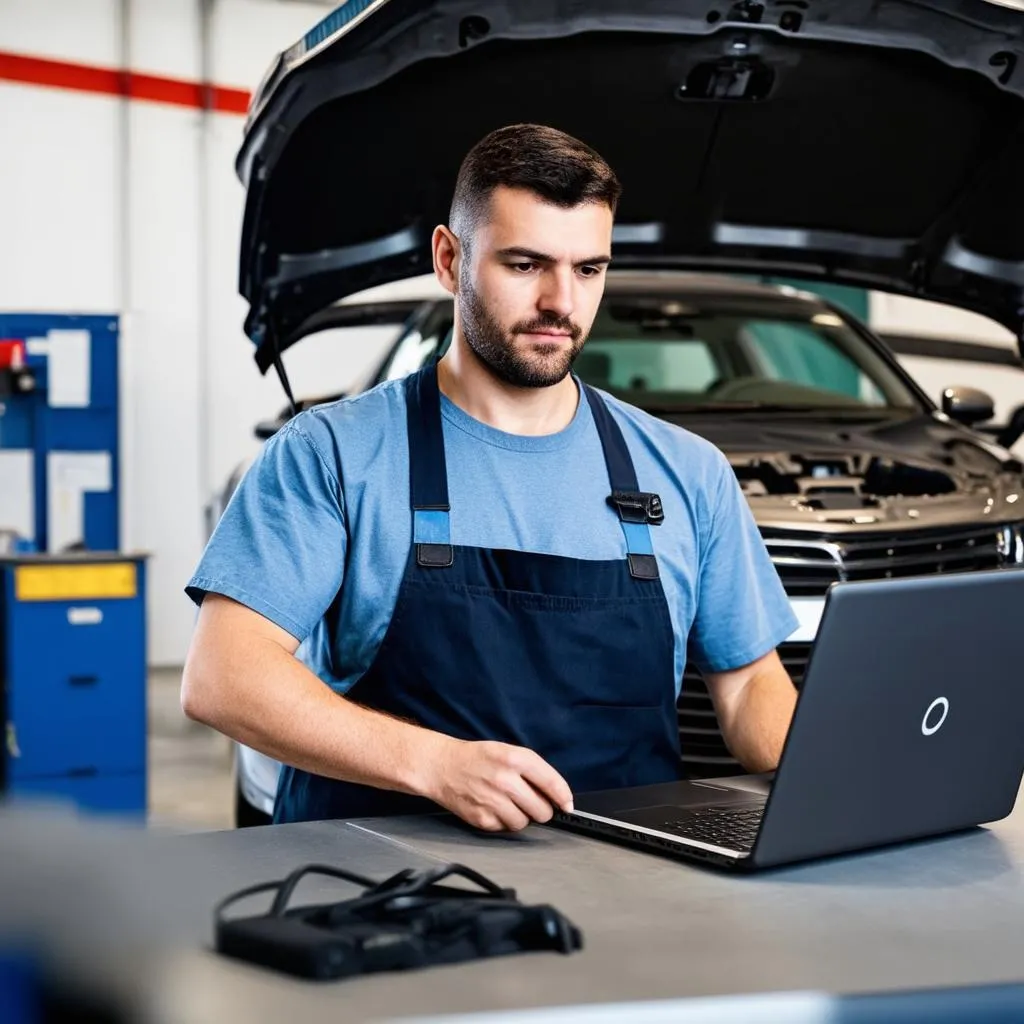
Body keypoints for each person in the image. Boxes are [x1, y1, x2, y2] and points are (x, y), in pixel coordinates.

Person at [181, 123, 800, 830]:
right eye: (525, 264)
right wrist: (435, 765)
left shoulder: (688, 472)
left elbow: (750, 683)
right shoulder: (332, 453)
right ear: (449, 259)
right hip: (377, 892)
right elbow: (224, 675)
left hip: (635, 887)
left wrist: (839, 795)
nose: (562, 303)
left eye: (589, 269)